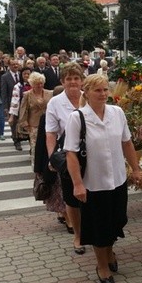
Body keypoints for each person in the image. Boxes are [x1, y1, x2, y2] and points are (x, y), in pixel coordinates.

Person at [65, 74, 142, 283]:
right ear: (87, 93)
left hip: (117, 180)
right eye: (98, 90)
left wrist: (136, 169)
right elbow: (70, 153)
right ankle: (102, 265)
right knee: (99, 227)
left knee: (116, 221)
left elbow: (127, 143)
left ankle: (110, 252)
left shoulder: (117, 113)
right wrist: (78, 184)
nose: (103, 94)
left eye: (105, 90)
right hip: (94, 183)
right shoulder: (78, 118)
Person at [46, 62, 85, 252]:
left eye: (76, 78)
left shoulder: (89, 97)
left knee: (91, 194)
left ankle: (91, 231)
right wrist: (52, 158)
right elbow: (51, 133)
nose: (73, 82)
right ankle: (78, 235)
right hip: (68, 154)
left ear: (82, 80)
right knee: (71, 196)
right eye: (68, 79)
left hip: (90, 154)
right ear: (62, 81)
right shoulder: (55, 102)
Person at [18, 72, 53, 164]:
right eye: (37, 83)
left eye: (41, 83)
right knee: (35, 147)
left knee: (48, 145)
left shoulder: (50, 93)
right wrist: (24, 123)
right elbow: (23, 109)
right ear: (32, 84)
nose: (40, 85)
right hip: (33, 124)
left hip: (48, 123)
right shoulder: (27, 95)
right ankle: (35, 166)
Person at [0, 59, 24, 150]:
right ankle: (16, 140)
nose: (15, 66)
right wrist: (5, 107)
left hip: (22, 103)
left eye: (16, 64)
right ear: (9, 66)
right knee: (13, 123)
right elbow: (4, 93)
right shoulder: (5, 77)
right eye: (13, 64)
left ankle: (22, 137)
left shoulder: (22, 75)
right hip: (12, 103)